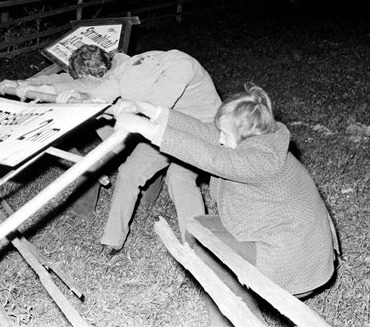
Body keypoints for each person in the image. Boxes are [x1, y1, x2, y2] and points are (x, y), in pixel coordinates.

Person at [112, 84, 339, 326]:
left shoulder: (258, 161)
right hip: (289, 244)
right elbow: (205, 134)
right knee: (200, 230)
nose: (219, 137)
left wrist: (143, 128)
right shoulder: (262, 142)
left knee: (208, 254)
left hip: (293, 265)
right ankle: (240, 309)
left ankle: (234, 317)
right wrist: (147, 109)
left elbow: (208, 155)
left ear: (243, 137)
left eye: (225, 134)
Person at [0, 44, 222, 254]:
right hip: (162, 129)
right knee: (129, 173)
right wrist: (77, 98)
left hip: (201, 129)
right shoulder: (126, 68)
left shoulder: (181, 65)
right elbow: (96, 93)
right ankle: (113, 241)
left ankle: (199, 249)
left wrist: (125, 108)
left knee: (178, 177)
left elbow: (154, 110)